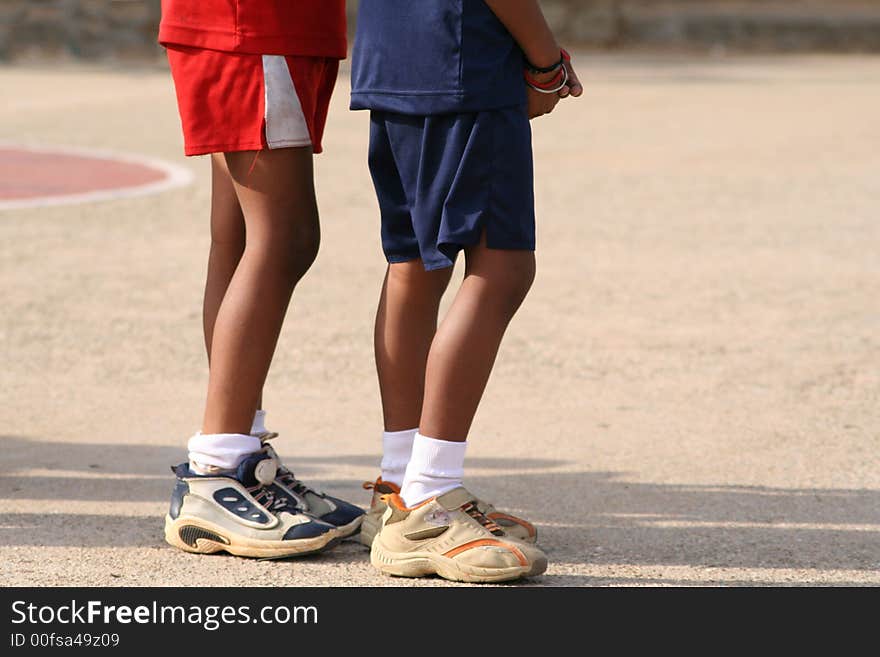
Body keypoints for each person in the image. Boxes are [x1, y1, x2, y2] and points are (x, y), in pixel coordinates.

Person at [351, 0, 583, 582]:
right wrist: (546, 61)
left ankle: (400, 483)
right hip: (463, 59)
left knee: (415, 264)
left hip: (394, 54)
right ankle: (428, 498)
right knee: (502, 269)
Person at [158, 0, 363, 559]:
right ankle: (216, 467)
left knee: (244, 240)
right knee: (285, 238)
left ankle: (239, 459)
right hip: (254, 24)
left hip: (270, 26)